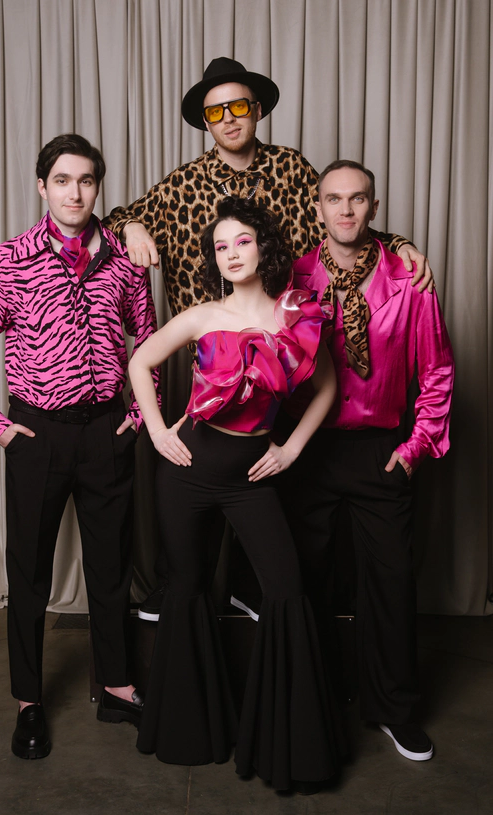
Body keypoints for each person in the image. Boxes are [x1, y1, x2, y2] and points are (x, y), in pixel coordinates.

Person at [104, 56, 434, 621]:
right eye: (216, 112)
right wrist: (132, 223)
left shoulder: (292, 168)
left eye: (238, 106)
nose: (229, 119)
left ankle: (256, 590)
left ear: (256, 110)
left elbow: (344, 218)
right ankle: (182, 587)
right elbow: (116, 222)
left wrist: (398, 243)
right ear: (205, 122)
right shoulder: (182, 183)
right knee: (198, 486)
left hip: (283, 357)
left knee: (273, 489)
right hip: (211, 363)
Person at [0, 134, 159, 759]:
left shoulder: (123, 260)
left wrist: (139, 418)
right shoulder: (8, 261)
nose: (75, 192)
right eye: (62, 180)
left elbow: (150, 344)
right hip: (38, 433)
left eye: (86, 180)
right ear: (43, 186)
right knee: (29, 573)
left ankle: (116, 685)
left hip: (107, 432)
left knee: (111, 567)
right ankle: (28, 700)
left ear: (98, 187)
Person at [128, 196, 343, 793]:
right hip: (188, 472)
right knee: (188, 588)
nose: (231, 253)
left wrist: (291, 449)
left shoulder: (295, 316)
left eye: (242, 241)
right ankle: (191, 733)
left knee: (286, 587)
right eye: (220, 246)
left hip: (252, 479)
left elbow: (327, 388)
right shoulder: (201, 316)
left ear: (263, 246)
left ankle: (288, 747)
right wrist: (157, 431)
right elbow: (140, 362)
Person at [277, 160, 454, 763]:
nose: (346, 209)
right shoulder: (293, 278)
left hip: (382, 449)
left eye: (357, 199)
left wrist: (414, 449)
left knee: (391, 584)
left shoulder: (410, 279)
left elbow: (437, 370)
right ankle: (320, 695)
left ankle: (394, 709)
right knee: (308, 580)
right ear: (318, 209)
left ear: (374, 208)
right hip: (310, 447)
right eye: (334, 199)